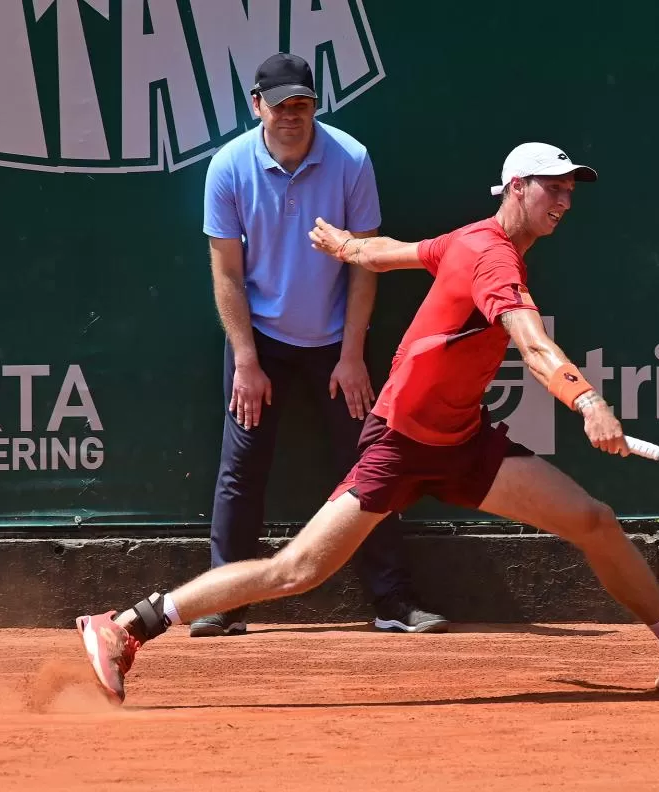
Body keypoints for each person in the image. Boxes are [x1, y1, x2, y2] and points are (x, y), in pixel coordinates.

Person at [76, 141, 659, 703]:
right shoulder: (494, 259)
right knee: (297, 570)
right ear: (515, 188)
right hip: (402, 443)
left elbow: (396, 251)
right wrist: (588, 402)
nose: (563, 201)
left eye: (569, 192)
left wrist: (349, 248)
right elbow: (533, 346)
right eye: (551, 189)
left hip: (463, 441)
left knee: (594, 521)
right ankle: (127, 625)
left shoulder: (470, 240)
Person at [194, 51, 447, 636]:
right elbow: (226, 273)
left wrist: (352, 354)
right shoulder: (227, 167)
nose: (292, 114)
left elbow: (365, 262)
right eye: (280, 104)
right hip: (259, 342)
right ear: (257, 105)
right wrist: (246, 361)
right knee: (241, 469)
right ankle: (223, 601)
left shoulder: (350, 158)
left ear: (314, 104)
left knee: (371, 467)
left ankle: (392, 602)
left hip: (337, 341)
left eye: (302, 103)